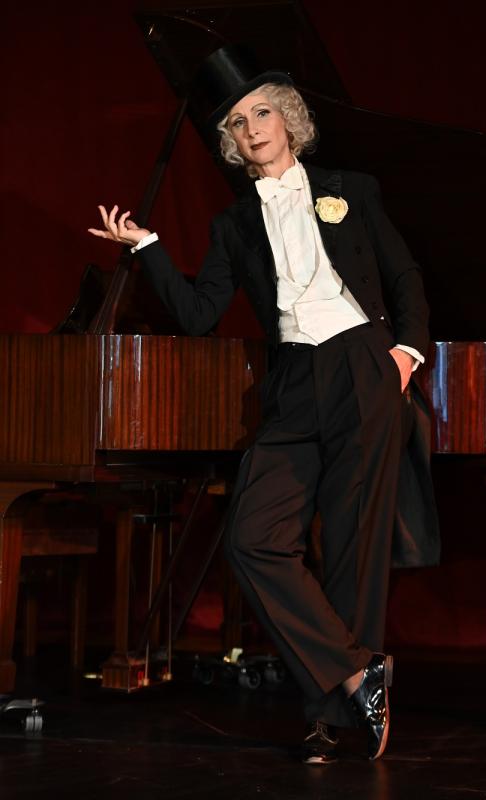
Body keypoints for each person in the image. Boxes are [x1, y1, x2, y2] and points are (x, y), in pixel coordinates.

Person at [89, 45, 439, 764]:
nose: (252, 128)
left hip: (362, 365)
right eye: (237, 123)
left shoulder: (352, 188)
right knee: (253, 537)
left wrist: (406, 351)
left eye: (262, 113)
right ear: (231, 142)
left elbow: (404, 274)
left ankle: (329, 719)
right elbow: (198, 315)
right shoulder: (232, 225)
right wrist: (147, 246)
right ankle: (354, 675)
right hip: (292, 381)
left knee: (352, 547)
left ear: (288, 120)